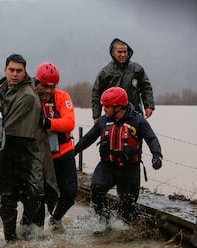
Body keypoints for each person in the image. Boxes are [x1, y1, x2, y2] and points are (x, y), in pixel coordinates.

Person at [74, 87, 163, 234]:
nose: (104, 109)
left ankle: (127, 233)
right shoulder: (103, 121)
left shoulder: (138, 121)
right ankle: (104, 221)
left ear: (118, 106)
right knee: (96, 189)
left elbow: (152, 139)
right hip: (107, 166)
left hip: (129, 169)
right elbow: (88, 138)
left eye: (107, 106)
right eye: (103, 106)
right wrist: (73, 152)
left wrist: (157, 155)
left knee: (128, 208)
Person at [0, 54, 45, 242]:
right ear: (5, 70)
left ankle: (25, 223)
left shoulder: (28, 96)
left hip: (26, 149)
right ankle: (11, 241)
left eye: (19, 71)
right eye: (11, 70)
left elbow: (6, 124)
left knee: (36, 192)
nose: (14, 74)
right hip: (4, 152)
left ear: (25, 72)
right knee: (8, 199)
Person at [34, 62, 78, 233]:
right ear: (37, 82)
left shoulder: (62, 97)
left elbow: (69, 122)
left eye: (52, 87)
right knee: (42, 195)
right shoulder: (30, 97)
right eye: (45, 86)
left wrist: (48, 123)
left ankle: (55, 219)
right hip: (41, 156)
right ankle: (36, 229)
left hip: (64, 152)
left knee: (70, 193)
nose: (48, 91)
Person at [92, 38, 155, 123]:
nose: (123, 54)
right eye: (120, 52)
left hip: (134, 114)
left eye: (125, 52)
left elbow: (146, 88)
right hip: (112, 116)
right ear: (112, 53)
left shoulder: (137, 69)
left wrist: (149, 106)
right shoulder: (105, 72)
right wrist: (96, 115)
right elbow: (96, 94)